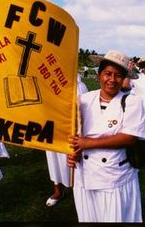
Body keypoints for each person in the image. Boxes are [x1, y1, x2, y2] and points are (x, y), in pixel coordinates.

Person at [67, 50, 145, 222]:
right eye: (107, 74)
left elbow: (129, 137)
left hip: (113, 176)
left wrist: (88, 143)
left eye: (118, 75)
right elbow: (73, 133)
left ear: (125, 78)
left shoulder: (132, 102)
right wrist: (72, 152)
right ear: (99, 75)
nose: (112, 80)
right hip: (84, 175)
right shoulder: (84, 99)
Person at [45, 74, 88, 207]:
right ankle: (57, 190)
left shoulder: (78, 86)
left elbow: (83, 114)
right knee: (53, 159)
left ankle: (80, 191)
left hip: (70, 129)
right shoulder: (45, 80)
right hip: (51, 126)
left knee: (74, 159)